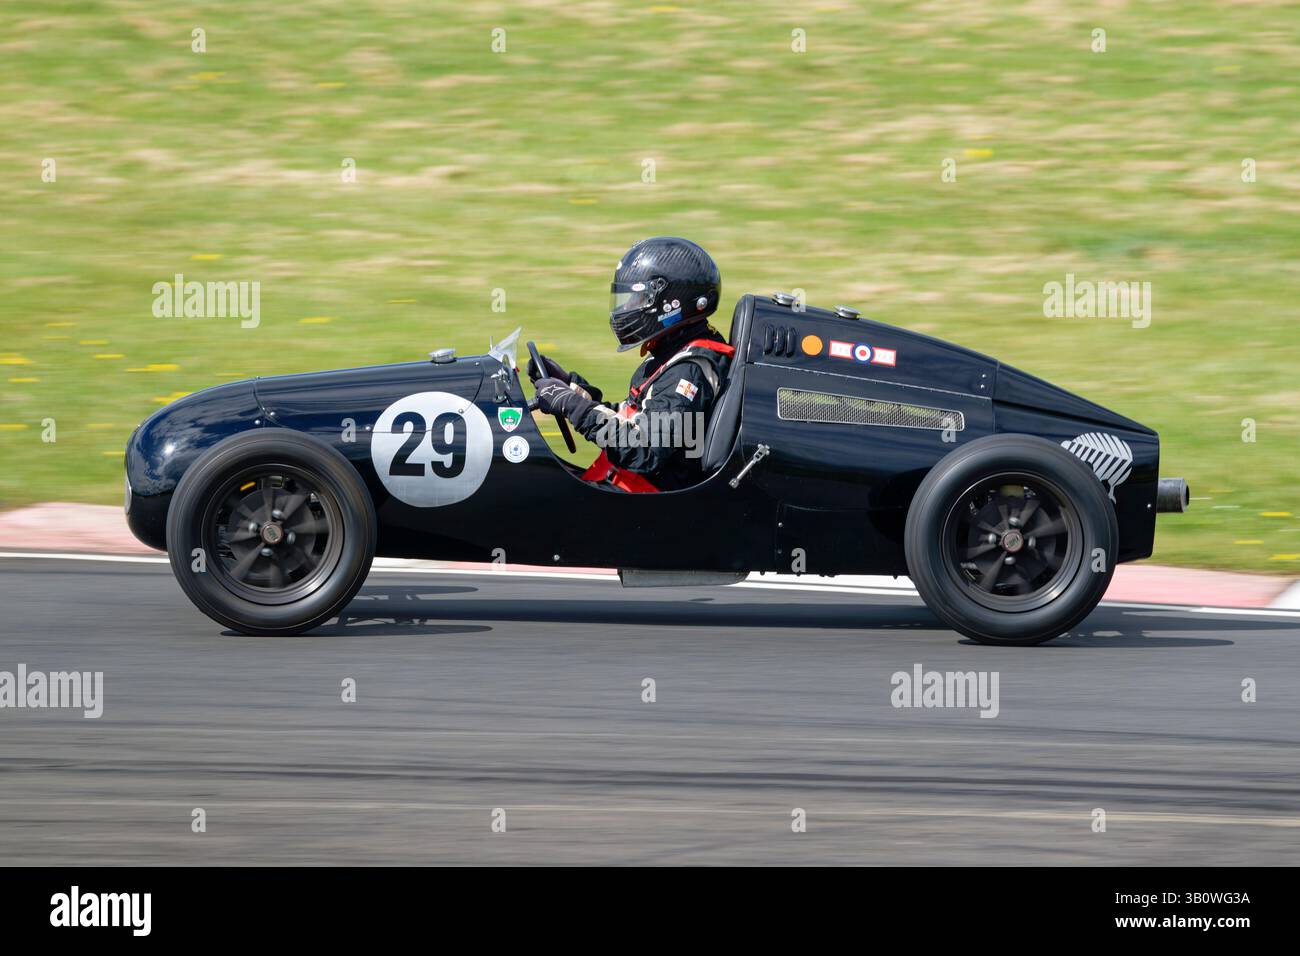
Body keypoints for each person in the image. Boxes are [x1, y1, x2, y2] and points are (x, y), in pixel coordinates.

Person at [529, 237, 734, 492]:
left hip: (645, 511)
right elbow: (631, 419)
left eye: (638, 299)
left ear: (672, 303)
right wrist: (572, 389)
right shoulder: (672, 351)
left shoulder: (688, 372)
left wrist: (571, 405)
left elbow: (642, 449)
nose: (627, 308)